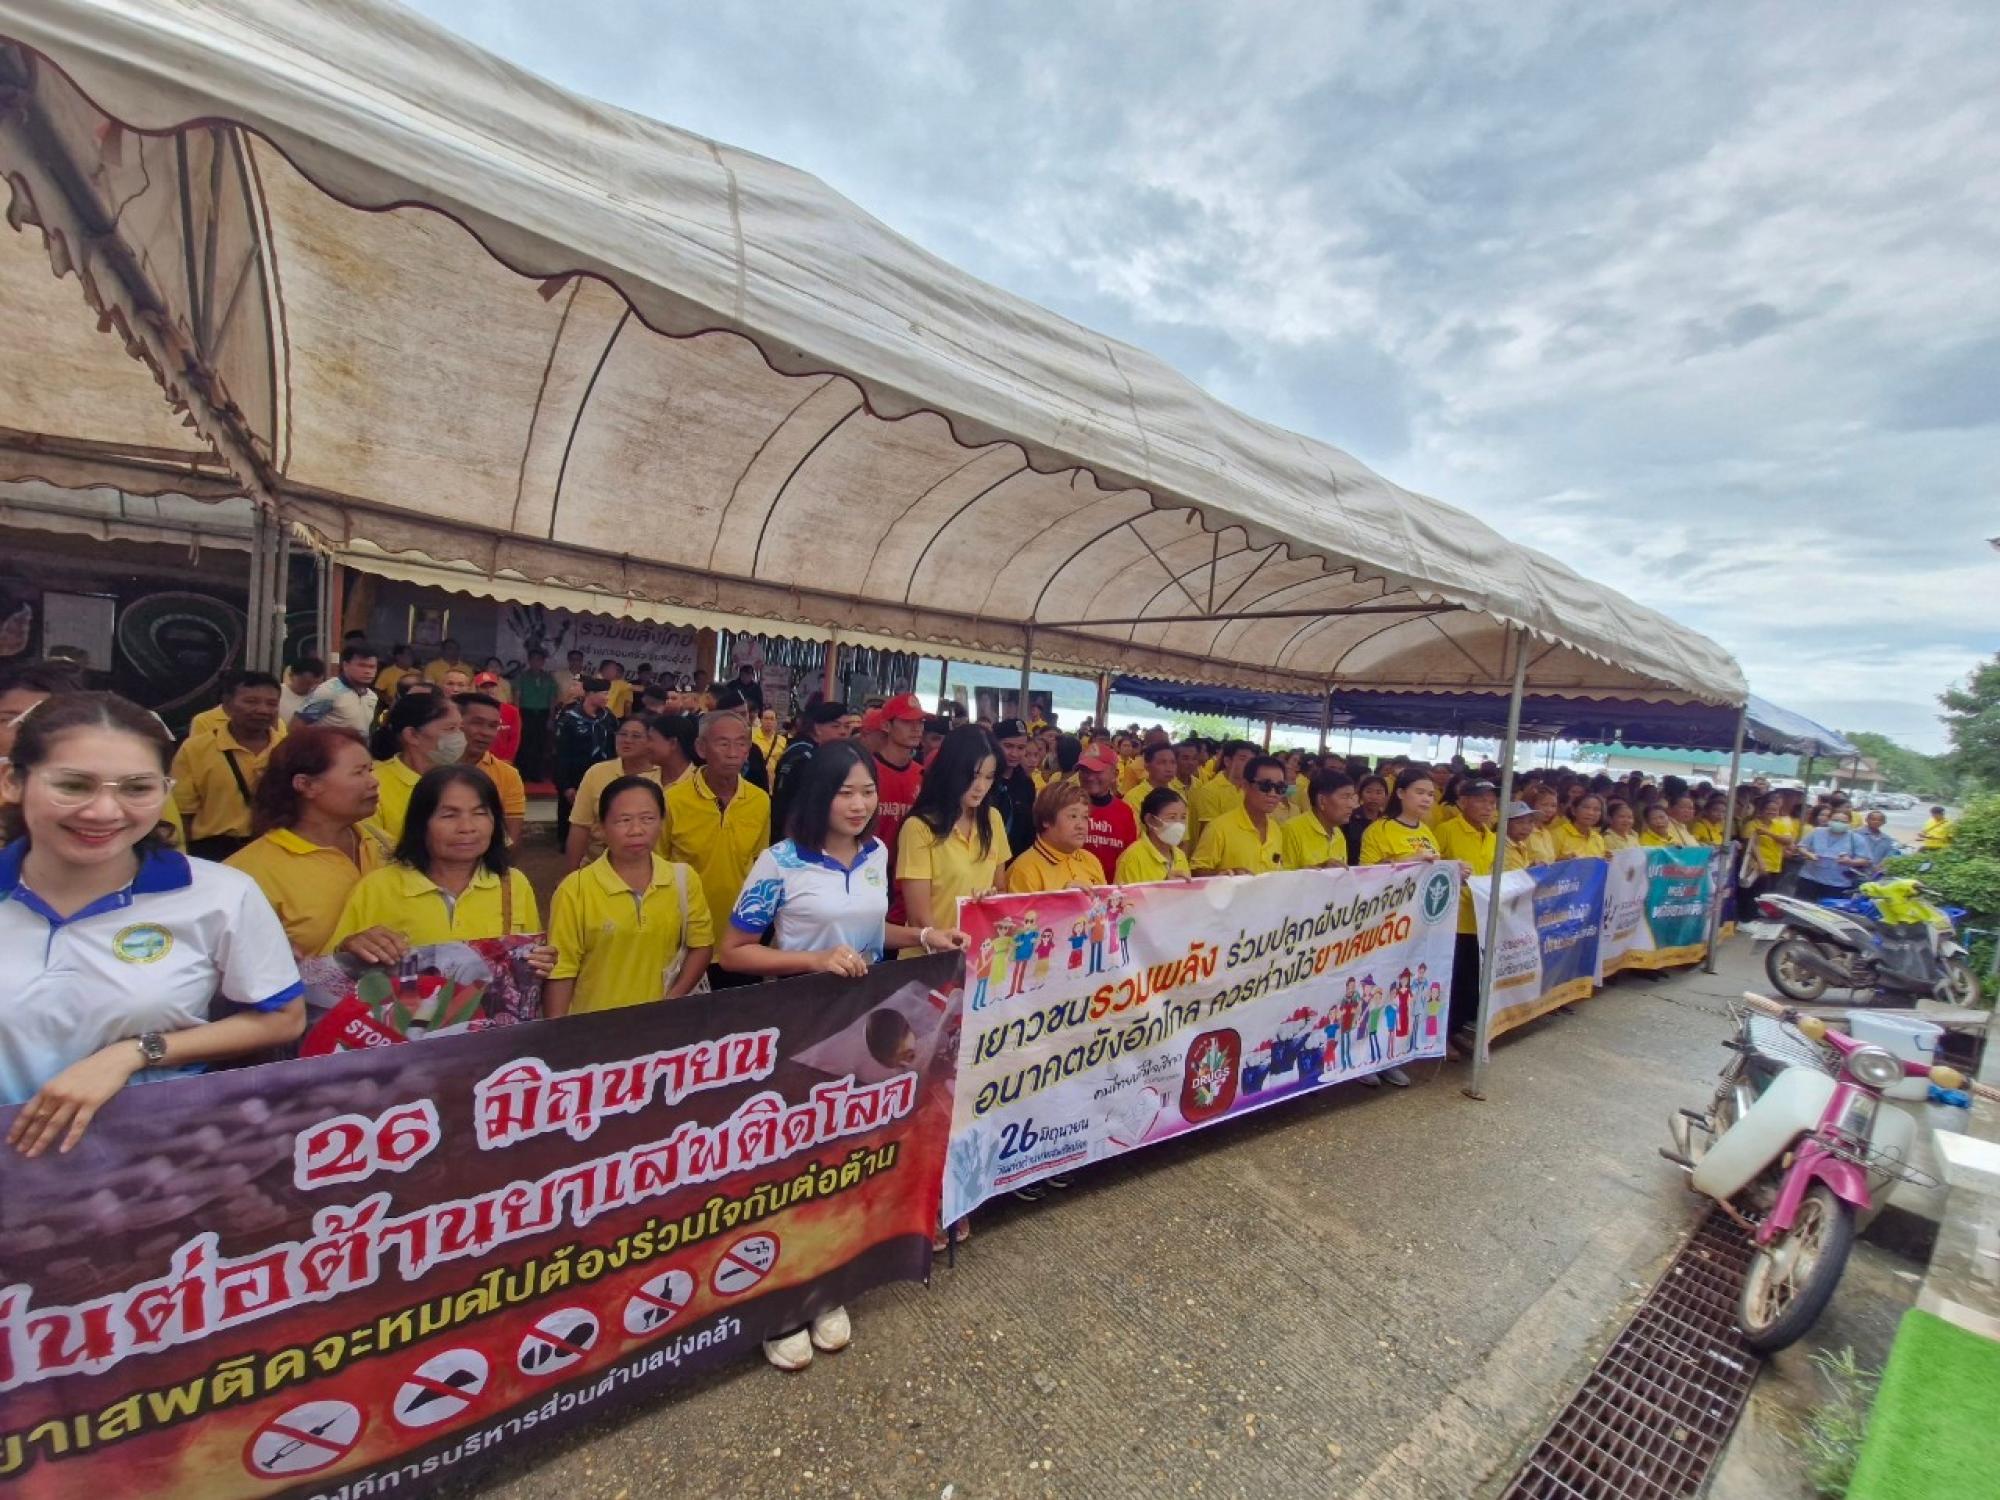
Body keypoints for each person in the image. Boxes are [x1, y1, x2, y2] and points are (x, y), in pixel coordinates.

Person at [718, 741, 966, 1371]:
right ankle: (780, 1305)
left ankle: (827, 1284)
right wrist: (813, 960)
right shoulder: (779, 863)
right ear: (817, 795)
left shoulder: (877, 852)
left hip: (865, 1031)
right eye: (844, 792)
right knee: (793, 1165)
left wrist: (924, 935)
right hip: (799, 1030)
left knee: (847, 1160)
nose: (859, 805)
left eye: (867, 791)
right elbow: (734, 952)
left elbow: (870, 931)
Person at [1, 693, 305, 1148]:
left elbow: (282, 1017)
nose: (104, 811)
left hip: (149, 1162)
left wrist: (136, 1053)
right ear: (13, 782)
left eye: (137, 788)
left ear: (165, 791)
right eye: (73, 785)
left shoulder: (220, 894)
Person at [327, 766, 553, 967]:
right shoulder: (377, 888)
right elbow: (328, 972)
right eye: (449, 815)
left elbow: (527, 965)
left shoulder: (514, 884)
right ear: (421, 823)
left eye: (480, 813)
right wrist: (348, 948)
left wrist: (540, 962)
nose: (467, 827)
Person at [545, 777, 711, 1017]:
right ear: (601, 828)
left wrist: (671, 1001)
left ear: (662, 822)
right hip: (594, 1025)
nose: (636, 830)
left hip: (662, 1024)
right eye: (624, 820)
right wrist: (558, 1031)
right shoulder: (576, 889)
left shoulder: (683, 879)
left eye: (648, 819)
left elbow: (701, 945)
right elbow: (562, 970)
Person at [226, 726, 391, 956]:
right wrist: (341, 957)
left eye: (370, 770)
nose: (373, 782)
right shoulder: (247, 875)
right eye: (358, 773)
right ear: (306, 785)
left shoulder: (383, 843)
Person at [666, 711, 772, 981]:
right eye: (723, 743)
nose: (733, 753)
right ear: (701, 748)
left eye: (741, 744)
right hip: (685, 938)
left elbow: (759, 867)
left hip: (740, 939)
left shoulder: (759, 801)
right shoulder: (672, 801)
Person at [898, 726, 1009, 954]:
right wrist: (948, 949)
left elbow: (1000, 888)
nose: (981, 787)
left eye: (989, 777)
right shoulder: (919, 828)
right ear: (951, 771)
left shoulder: (993, 820)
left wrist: (990, 899)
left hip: (978, 955)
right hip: (931, 959)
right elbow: (919, 918)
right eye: (973, 776)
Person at [170, 671, 286, 860]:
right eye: (251, 701)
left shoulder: (288, 749)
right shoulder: (196, 749)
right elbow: (182, 812)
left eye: (271, 704)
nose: (263, 710)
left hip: (273, 850)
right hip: (213, 851)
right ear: (227, 704)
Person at [1435, 779, 1499, 1047]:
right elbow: (1433, 869)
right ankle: (1443, 1035)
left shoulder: (1493, 837)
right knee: (1452, 978)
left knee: (1471, 979)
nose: (1488, 807)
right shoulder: (1446, 830)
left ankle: (1458, 1028)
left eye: (1492, 802)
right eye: (1481, 800)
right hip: (1454, 918)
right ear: (1463, 802)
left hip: (1480, 918)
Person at [366, 690, 465, 846]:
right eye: (450, 729)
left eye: (460, 728)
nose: (460, 737)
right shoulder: (373, 786)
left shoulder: (465, 779)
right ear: (412, 735)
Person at [564, 716, 659, 870]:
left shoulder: (662, 776)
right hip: (597, 866)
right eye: (622, 734)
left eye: (636, 736)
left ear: (651, 742)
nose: (627, 740)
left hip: (650, 867)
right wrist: (572, 873)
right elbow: (580, 826)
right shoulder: (597, 772)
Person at [1191, 754, 1288, 876]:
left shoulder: (1275, 830)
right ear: (1245, 785)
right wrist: (1225, 874)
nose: (1273, 793)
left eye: (1280, 787)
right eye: (1265, 786)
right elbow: (1196, 872)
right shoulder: (1219, 828)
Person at [1006, 780, 1107, 892]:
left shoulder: (1091, 861)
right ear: (1046, 820)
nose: (1081, 826)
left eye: (1085, 817)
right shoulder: (1024, 870)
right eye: (1073, 816)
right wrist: (1061, 899)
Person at [553, 676, 617, 848]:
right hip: (575, 775)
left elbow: (614, 747)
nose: (607, 697)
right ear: (590, 694)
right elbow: (560, 754)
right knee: (571, 813)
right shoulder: (569, 718)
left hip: (603, 775)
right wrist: (565, 785)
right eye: (604, 693)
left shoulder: (608, 717)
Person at [455, 692, 527, 845]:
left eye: (493, 726)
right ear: (455, 723)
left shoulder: (508, 775)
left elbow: (511, 840)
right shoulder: (427, 768)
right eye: (477, 723)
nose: (486, 733)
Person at [293, 640, 380, 735]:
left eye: (372, 667)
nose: (368, 671)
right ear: (345, 665)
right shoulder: (329, 691)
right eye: (362, 665)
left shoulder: (372, 697)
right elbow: (297, 725)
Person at [1359, 769, 1442, 866]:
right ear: (1401, 793)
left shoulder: (1426, 830)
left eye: (1430, 794)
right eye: (1420, 793)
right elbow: (1365, 872)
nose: (1427, 799)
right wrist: (1410, 860)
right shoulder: (1378, 831)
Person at [1077, 748, 1138, 879]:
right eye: (1084, 771)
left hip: (1114, 887)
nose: (1089, 777)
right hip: (1076, 886)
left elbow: (1129, 856)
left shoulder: (1125, 811)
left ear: (1115, 774)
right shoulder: (1066, 807)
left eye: (1097, 771)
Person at [1282, 770, 1360, 869]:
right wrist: (1319, 871)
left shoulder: (1338, 834)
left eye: (1352, 798)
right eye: (1345, 797)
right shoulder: (1291, 830)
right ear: (1322, 801)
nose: (1352, 805)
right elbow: (1281, 875)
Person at [1736, 792, 1794, 923]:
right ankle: (1745, 919)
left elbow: (1787, 840)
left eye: (1775, 810)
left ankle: (1754, 917)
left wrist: (1767, 833)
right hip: (1755, 866)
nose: (1771, 812)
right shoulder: (1752, 824)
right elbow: (1750, 845)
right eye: (1768, 809)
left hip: (1774, 865)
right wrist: (1761, 862)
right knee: (1750, 893)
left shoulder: (1780, 824)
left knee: (1764, 895)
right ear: (1761, 810)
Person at [1188, 741, 1254, 850]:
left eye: (1251, 760)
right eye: (1243, 759)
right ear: (1227, 761)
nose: (1248, 765)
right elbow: (1209, 834)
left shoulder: (1252, 790)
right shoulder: (1210, 791)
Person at [990, 718, 1040, 860]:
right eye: (1008, 746)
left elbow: (1029, 828)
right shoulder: (984, 781)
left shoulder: (1026, 784)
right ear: (995, 744)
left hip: (1017, 861)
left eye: (1020, 748)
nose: (1014, 753)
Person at [1795, 806, 1867, 903]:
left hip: (1837, 883)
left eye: (1843, 822)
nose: (1838, 823)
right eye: (1835, 820)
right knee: (1802, 905)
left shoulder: (1856, 838)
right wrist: (1808, 854)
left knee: (1827, 909)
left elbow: (1864, 860)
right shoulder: (1817, 831)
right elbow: (1801, 846)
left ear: (1849, 822)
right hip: (1810, 878)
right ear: (1829, 820)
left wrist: (1850, 861)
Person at [511, 646, 559, 781]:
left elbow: (552, 699)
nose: (536, 662)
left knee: (540, 744)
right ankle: (522, 774)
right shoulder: (522, 677)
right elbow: (517, 697)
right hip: (525, 713)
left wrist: (551, 718)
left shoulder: (549, 678)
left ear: (543, 662)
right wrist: (517, 716)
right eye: (533, 659)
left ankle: (536, 774)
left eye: (539, 659)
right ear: (529, 661)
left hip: (543, 714)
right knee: (524, 743)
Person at [1123, 741, 1182, 818]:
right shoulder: (1133, 798)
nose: (1169, 768)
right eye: (1162, 762)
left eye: (1173, 762)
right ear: (1147, 766)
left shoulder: (1178, 793)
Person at [473, 672, 522, 763]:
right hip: (476, 762)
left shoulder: (511, 711)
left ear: (497, 688)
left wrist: (507, 760)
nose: (489, 690)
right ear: (477, 689)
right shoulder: (470, 711)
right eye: (484, 687)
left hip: (502, 762)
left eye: (492, 686)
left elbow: (514, 739)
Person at [1343, 774, 1389, 864]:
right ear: (1360, 794)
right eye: (1368, 791)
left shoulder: (1388, 821)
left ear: (1386, 796)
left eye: (1379, 792)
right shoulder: (1349, 818)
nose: (1373, 797)